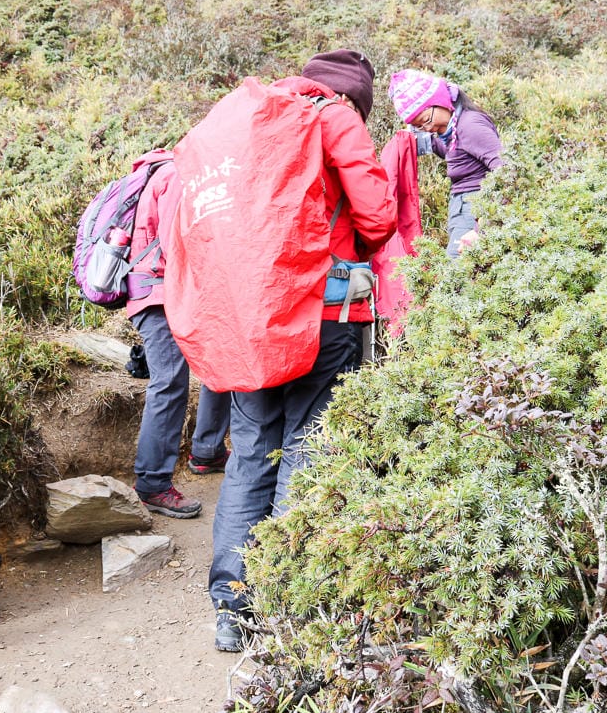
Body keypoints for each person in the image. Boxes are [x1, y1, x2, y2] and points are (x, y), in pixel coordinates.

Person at [207, 50, 397, 651]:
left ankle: (232, 608)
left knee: (249, 455)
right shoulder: (335, 117)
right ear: (356, 95)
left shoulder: (248, 117)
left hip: (250, 315)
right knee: (307, 449)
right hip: (324, 312)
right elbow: (378, 215)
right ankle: (288, 599)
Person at [125, 151, 230, 518]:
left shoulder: (163, 171)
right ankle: (152, 483)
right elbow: (176, 245)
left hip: (167, 289)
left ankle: (207, 451)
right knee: (169, 382)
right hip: (159, 292)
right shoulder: (175, 175)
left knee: (222, 358)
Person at [385, 70, 502, 259]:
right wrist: (408, 143)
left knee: (456, 278)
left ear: (439, 101)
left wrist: (481, 229)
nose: (429, 129)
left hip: (474, 212)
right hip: (462, 209)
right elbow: (450, 150)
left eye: (426, 121)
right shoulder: (452, 128)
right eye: (420, 126)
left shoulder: (470, 126)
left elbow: (506, 173)